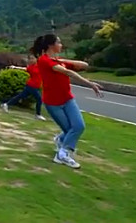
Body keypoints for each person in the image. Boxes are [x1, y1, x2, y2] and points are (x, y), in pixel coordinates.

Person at [33, 34, 103, 169]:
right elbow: (68, 73)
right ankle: (62, 154)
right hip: (53, 103)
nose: (61, 45)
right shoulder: (44, 61)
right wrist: (90, 84)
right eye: (58, 42)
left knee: (78, 126)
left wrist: (61, 59)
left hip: (68, 100)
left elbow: (84, 65)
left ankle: (61, 145)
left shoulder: (58, 61)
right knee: (70, 130)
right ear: (51, 45)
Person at [0, 55, 46, 120]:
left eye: (33, 58)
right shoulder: (31, 67)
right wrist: (15, 67)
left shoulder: (40, 66)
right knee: (39, 99)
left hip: (33, 86)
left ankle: (6, 104)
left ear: (37, 59)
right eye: (30, 59)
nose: (31, 60)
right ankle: (38, 114)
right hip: (32, 86)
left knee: (20, 96)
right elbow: (24, 69)